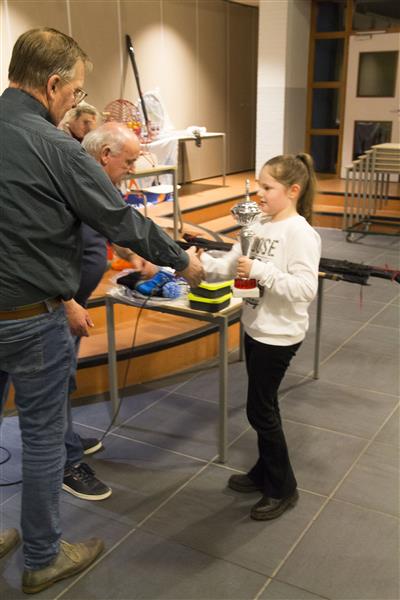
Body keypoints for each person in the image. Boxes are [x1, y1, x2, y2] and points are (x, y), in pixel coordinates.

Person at [0, 27, 203, 594]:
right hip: (29, 321)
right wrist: (180, 260)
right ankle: (43, 558)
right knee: (44, 440)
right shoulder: (55, 146)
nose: (75, 102)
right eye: (75, 91)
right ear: (53, 84)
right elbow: (118, 218)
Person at [200, 153, 321, 520]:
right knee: (265, 406)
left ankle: (283, 488)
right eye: (259, 185)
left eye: (268, 187)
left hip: (279, 335)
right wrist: (195, 264)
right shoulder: (259, 224)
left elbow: (305, 289)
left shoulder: (300, 233)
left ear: (293, 190)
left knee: (260, 410)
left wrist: (260, 270)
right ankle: (263, 470)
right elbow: (229, 265)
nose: (259, 194)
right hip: (255, 327)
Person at [62, 122, 159, 502]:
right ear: (106, 155)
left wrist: (132, 256)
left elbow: (109, 229)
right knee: (54, 386)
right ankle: (66, 463)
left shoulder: (100, 186)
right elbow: (42, 252)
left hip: (73, 303)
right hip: (56, 306)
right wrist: (66, 302)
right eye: (129, 162)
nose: (132, 169)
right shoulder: (70, 184)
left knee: (65, 380)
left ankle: (65, 440)